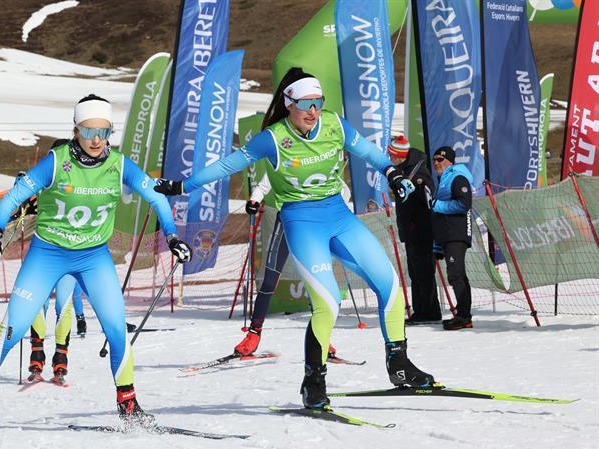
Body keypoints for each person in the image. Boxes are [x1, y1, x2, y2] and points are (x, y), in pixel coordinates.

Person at [155, 68, 436, 409]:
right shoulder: (272, 138)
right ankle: (313, 381)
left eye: (317, 103)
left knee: (389, 283)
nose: (312, 111)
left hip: (339, 217)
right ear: (289, 104)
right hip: (302, 222)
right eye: (305, 104)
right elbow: (226, 166)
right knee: (328, 302)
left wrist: (392, 173)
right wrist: (184, 186)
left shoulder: (334, 125)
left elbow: (370, 152)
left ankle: (399, 365)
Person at [0, 94, 191, 425]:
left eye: (104, 131)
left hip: (93, 258)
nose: (97, 140)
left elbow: (156, 198)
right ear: (75, 130)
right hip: (48, 255)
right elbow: (14, 196)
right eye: (88, 131)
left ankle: (129, 406)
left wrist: (171, 235)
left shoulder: (119, 164)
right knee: (13, 329)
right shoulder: (56, 162)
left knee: (117, 330)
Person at [234, 173, 339, 360]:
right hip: (286, 221)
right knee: (270, 279)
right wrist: (254, 200)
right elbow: (263, 185)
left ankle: (322, 338)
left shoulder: (321, 157)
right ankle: (253, 334)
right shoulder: (286, 153)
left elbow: (341, 189)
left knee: (318, 282)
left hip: (311, 224)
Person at [387, 135, 441, 325]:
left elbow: (429, 201)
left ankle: (431, 311)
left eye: (391, 154)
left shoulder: (418, 173)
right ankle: (420, 311)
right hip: (411, 231)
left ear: (399, 155)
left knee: (424, 272)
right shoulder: (402, 171)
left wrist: (427, 224)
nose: (389, 157)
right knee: (415, 272)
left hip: (422, 231)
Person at [430, 146, 474, 331]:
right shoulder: (444, 179)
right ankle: (462, 314)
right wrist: (438, 244)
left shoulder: (457, 177)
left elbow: (464, 204)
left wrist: (437, 205)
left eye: (440, 159)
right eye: (434, 160)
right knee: (454, 274)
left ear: (449, 160)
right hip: (447, 235)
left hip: (457, 233)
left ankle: (464, 316)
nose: (436, 163)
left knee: (456, 274)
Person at [27, 275, 83, 383]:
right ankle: (59, 361)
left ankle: (37, 358)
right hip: (68, 261)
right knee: (63, 307)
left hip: (45, 261)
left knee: (39, 304)